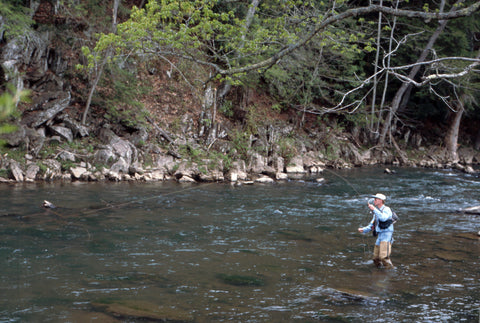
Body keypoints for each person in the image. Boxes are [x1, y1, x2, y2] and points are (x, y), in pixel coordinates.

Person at [358, 193, 394, 269]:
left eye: (376, 199)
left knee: (383, 257)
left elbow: (383, 218)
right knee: (375, 258)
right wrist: (363, 230)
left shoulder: (387, 209)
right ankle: (379, 272)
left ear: (381, 201)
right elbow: (372, 224)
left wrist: (374, 209)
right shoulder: (376, 212)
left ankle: (390, 272)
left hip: (386, 236)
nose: (374, 201)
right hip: (380, 236)